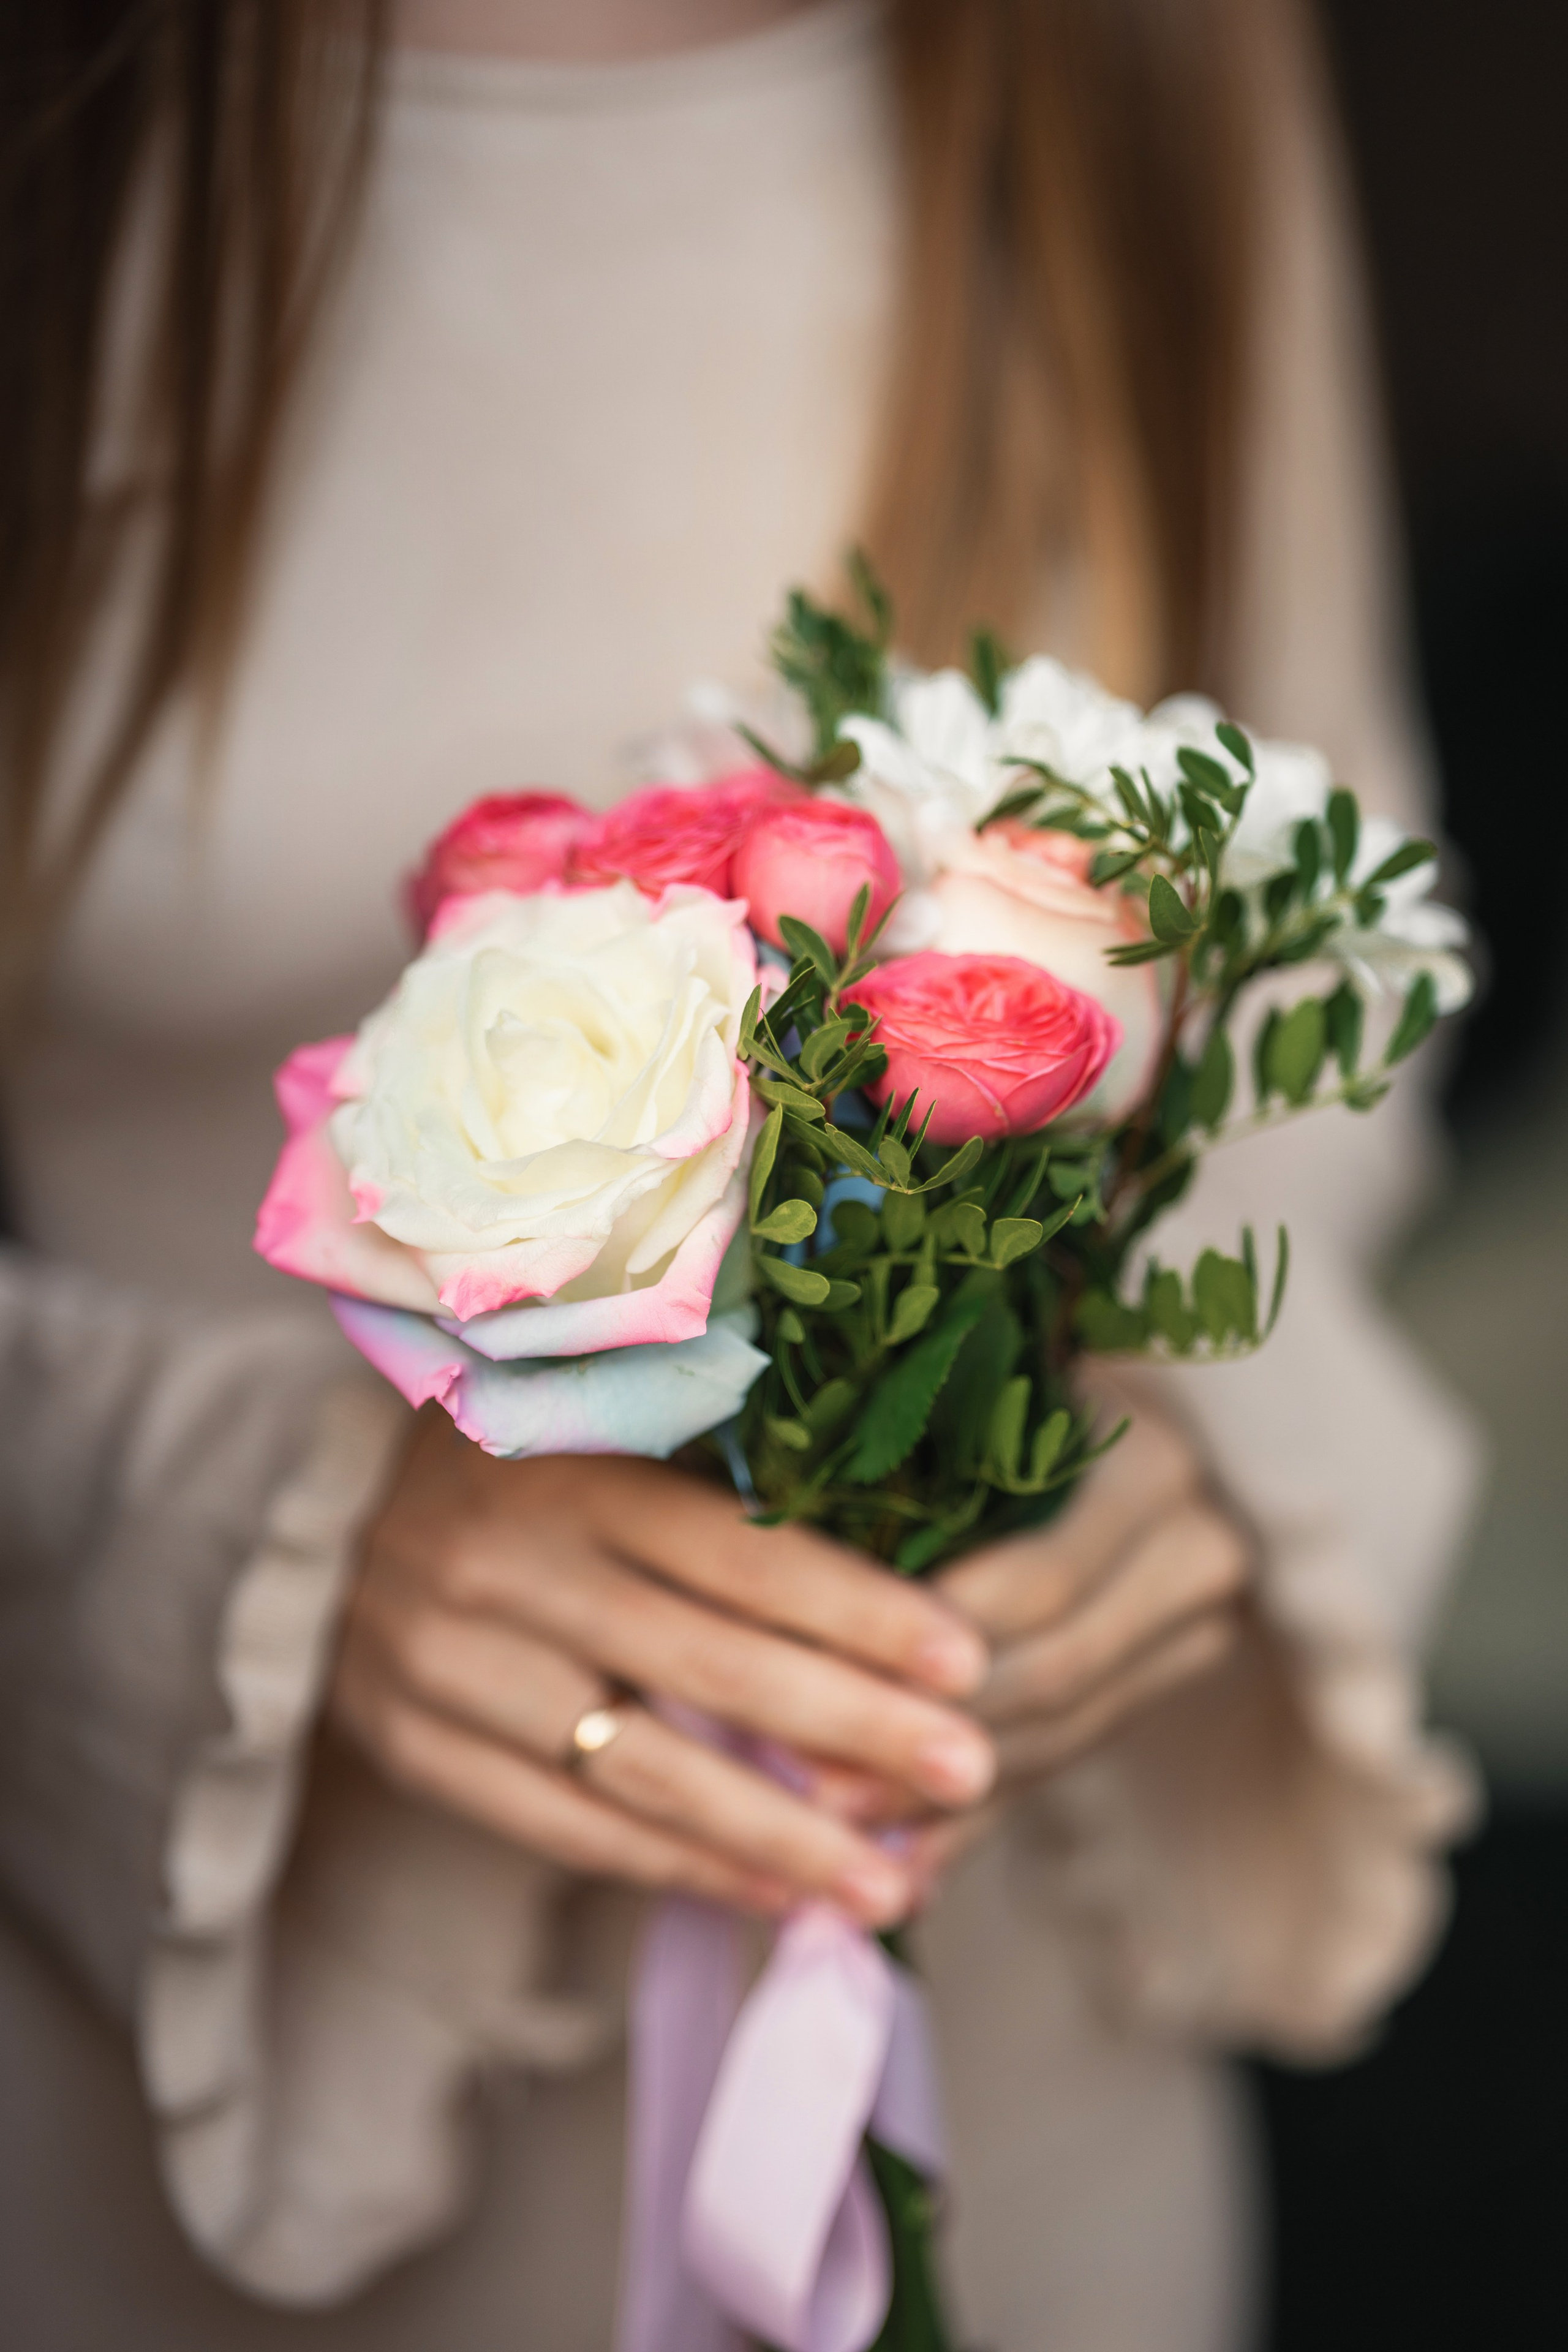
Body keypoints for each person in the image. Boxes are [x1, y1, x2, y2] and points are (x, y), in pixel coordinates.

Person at [0, 2, 1482, 2346]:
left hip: (1014, 2085)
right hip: (205, 2126)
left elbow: (1338, 915)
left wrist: (1177, 1427)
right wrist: (266, 1547)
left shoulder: (1154, 60)